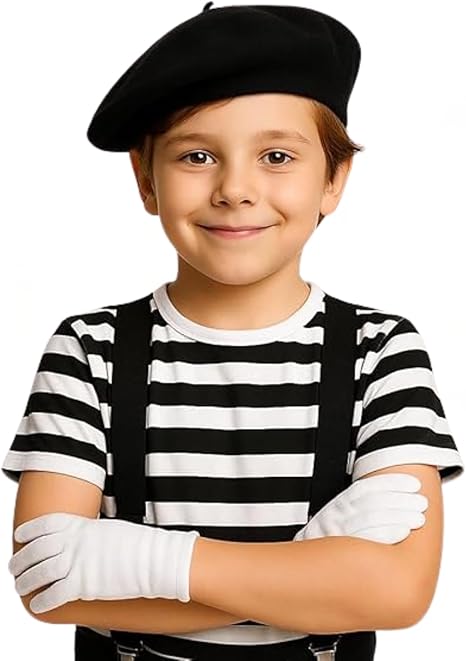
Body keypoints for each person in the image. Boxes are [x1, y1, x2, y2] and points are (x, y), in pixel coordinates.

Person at [3, 3, 464, 660]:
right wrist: (313, 569)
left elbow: (397, 593)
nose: (236, 189)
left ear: (333, 180)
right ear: (145, 179)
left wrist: (142, 560)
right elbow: (47, 583)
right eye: (197, 156)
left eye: (277, 155)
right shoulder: (88, 349)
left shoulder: (381, 350)